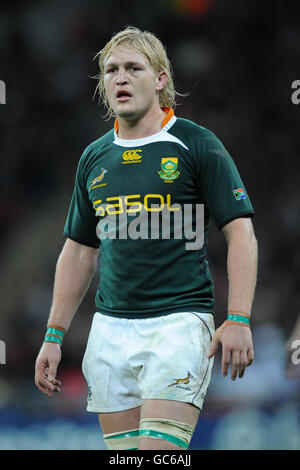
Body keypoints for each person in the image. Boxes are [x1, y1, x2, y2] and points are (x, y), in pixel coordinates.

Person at [35, 26, 258, 451]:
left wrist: (239, 317)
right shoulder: (95, 157)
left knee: (159, 455)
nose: (121, 78)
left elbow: (241, 232)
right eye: (111, 70)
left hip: (178, 325)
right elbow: (79, 251)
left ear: (160, 78)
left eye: (133, 68)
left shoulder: (197, 144)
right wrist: (53, 335)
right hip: (109, 330)